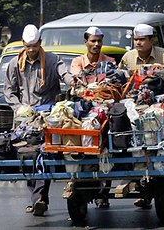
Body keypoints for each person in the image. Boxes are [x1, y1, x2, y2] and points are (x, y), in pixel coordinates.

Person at [4, 24, 74, 216]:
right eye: (28, 46)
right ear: (23, 45)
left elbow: (65, 74)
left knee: (45, 154)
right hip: (25, 119)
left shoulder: (52, 60)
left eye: (35, 46)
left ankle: (39, 198)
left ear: (40, 43)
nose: (32, 50)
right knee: (28, 156)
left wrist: (73, 80)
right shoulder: (14, 64)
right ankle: (36, 197)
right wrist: (19, 108)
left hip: (47, 116)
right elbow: (9, 92)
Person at [118, 23, 164, 209]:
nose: (138, 43)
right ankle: (144, 191)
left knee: (160, 152)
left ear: (151, 40)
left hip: (160, 111)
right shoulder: (128, 58)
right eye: (136, 39)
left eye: (142, 39)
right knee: (136, 149)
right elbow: (121, 82)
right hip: (134, 111)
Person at [68, 26, 115, 209]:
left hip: (104, 110)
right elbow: (77, 81)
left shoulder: (109, 62)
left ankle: (104, 192)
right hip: (84, 110)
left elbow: (114, 83)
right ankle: (80, 182)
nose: (96, 44)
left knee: (108, 145)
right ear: (85, 42)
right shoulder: (77, 62)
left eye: (99, 41)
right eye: (93, 41)